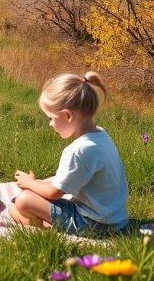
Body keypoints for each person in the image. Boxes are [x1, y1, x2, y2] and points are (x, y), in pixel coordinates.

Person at [8, 71, 129, 235]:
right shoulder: (101, 136)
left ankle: (49, 230)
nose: (50, 124)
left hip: (94, 224)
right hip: (115, 219)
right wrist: (38, 183)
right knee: (24, 201)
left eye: (50, 118)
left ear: (67, 115)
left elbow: (54, 192)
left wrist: (30, 183)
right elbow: (68, 178)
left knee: (22, 202)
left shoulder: (78, 150)